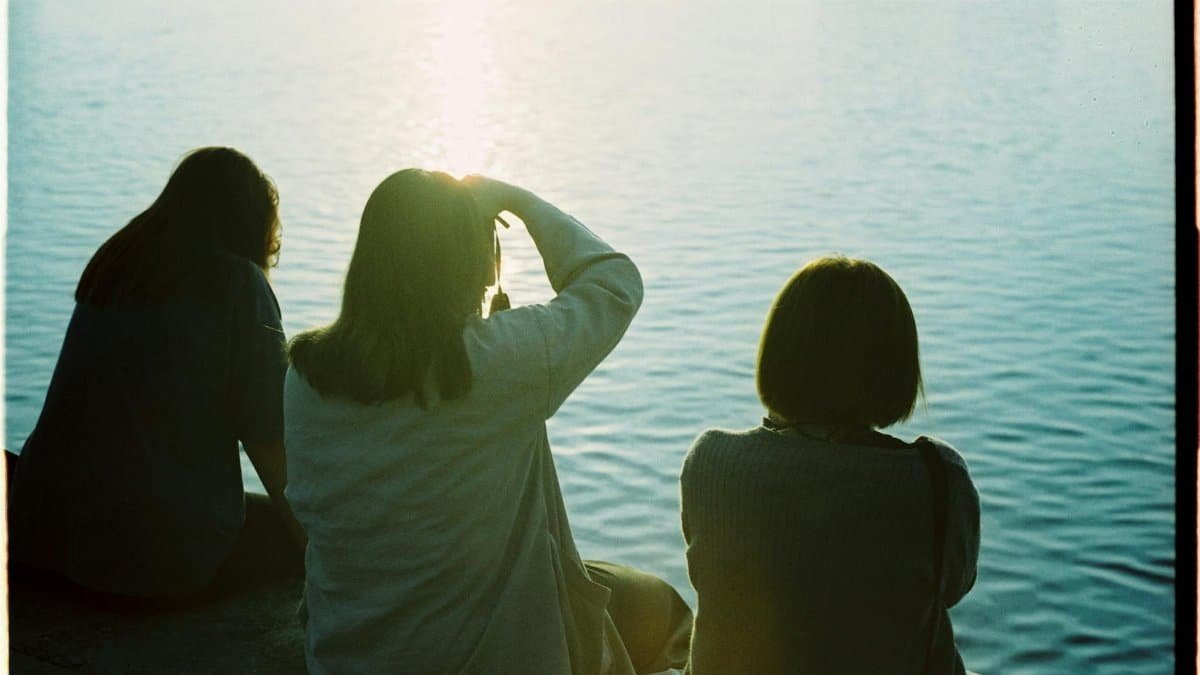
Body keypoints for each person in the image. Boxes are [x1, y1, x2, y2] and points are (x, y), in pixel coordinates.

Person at [283, 170, 692, 675]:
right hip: (491, 660)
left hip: (347, 658)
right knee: (659, 606)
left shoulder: (304, 377)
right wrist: (516, 199)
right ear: (472, 265)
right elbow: (614, 282)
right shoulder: (499, 361)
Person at [8, 147, 305, 604]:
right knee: (294, 536)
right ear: (249, 225)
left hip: (42, 536)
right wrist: (320, 542)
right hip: (149, 559)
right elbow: (269, 440)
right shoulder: (237, 284)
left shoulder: (116, 266)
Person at [680, 256, 980, 674]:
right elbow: (954, 586)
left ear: (779, 353)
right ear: (895, 366)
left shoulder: (710, 462)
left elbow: (708, 576)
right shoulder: (937, 478)